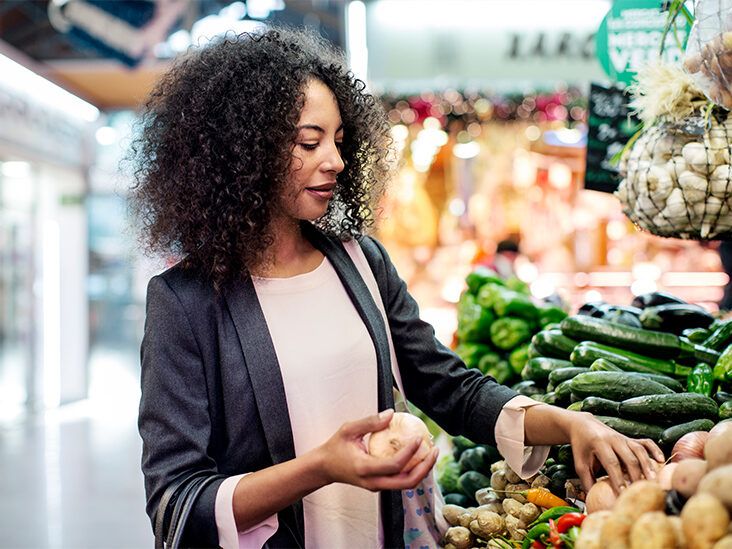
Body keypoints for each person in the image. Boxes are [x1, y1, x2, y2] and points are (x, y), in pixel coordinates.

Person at [132, 27, 664, 549]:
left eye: (339, 141)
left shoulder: (359, 262)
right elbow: (177, 503)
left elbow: (448, 387)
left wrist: (568, 422)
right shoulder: (187, 302)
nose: (335, 162)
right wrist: (321, 467)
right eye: (308, 142)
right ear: (241, 151)